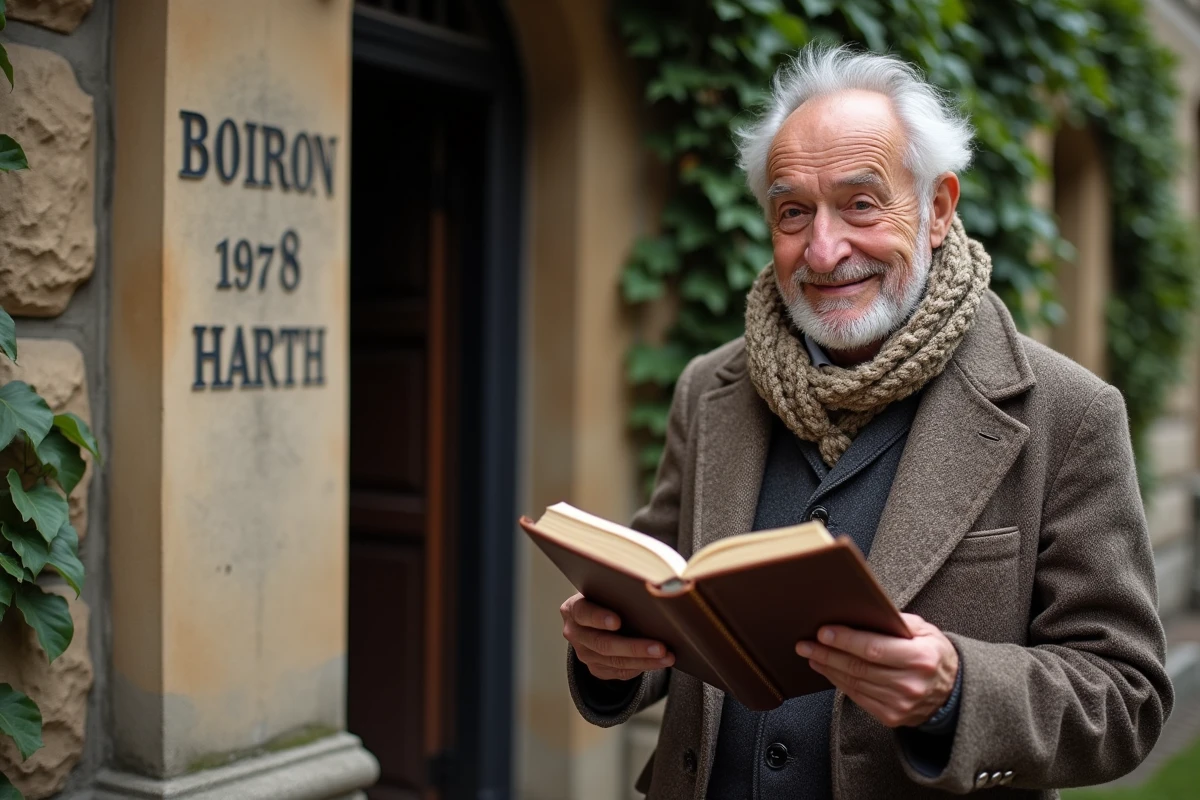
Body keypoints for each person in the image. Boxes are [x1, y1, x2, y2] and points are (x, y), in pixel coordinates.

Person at [559, 44, 1172, 799]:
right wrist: (610, 657)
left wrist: (954, 691)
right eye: (793, 212)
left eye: (860, 203)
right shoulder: (708, 390)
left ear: (938, 207)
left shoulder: (1067, 412)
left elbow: (1126, 696)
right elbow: (673, 611)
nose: (824, 249)